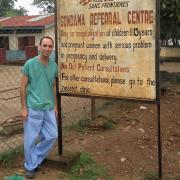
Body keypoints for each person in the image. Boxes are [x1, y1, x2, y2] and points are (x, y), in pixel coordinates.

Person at [20, 36, 58, 179]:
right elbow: (22, 86)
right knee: (30, 139)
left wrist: (55, 106)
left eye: (50, 46)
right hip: (33, 108)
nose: (47, 48)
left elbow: (53, 87)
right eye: (45, 45)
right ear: (39, 46)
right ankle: (30, 166)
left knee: (52, 135)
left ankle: (34, 157)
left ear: (52, 48)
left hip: (48, 108)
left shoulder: (54, 66)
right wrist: (24, 108)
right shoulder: (30, 64)